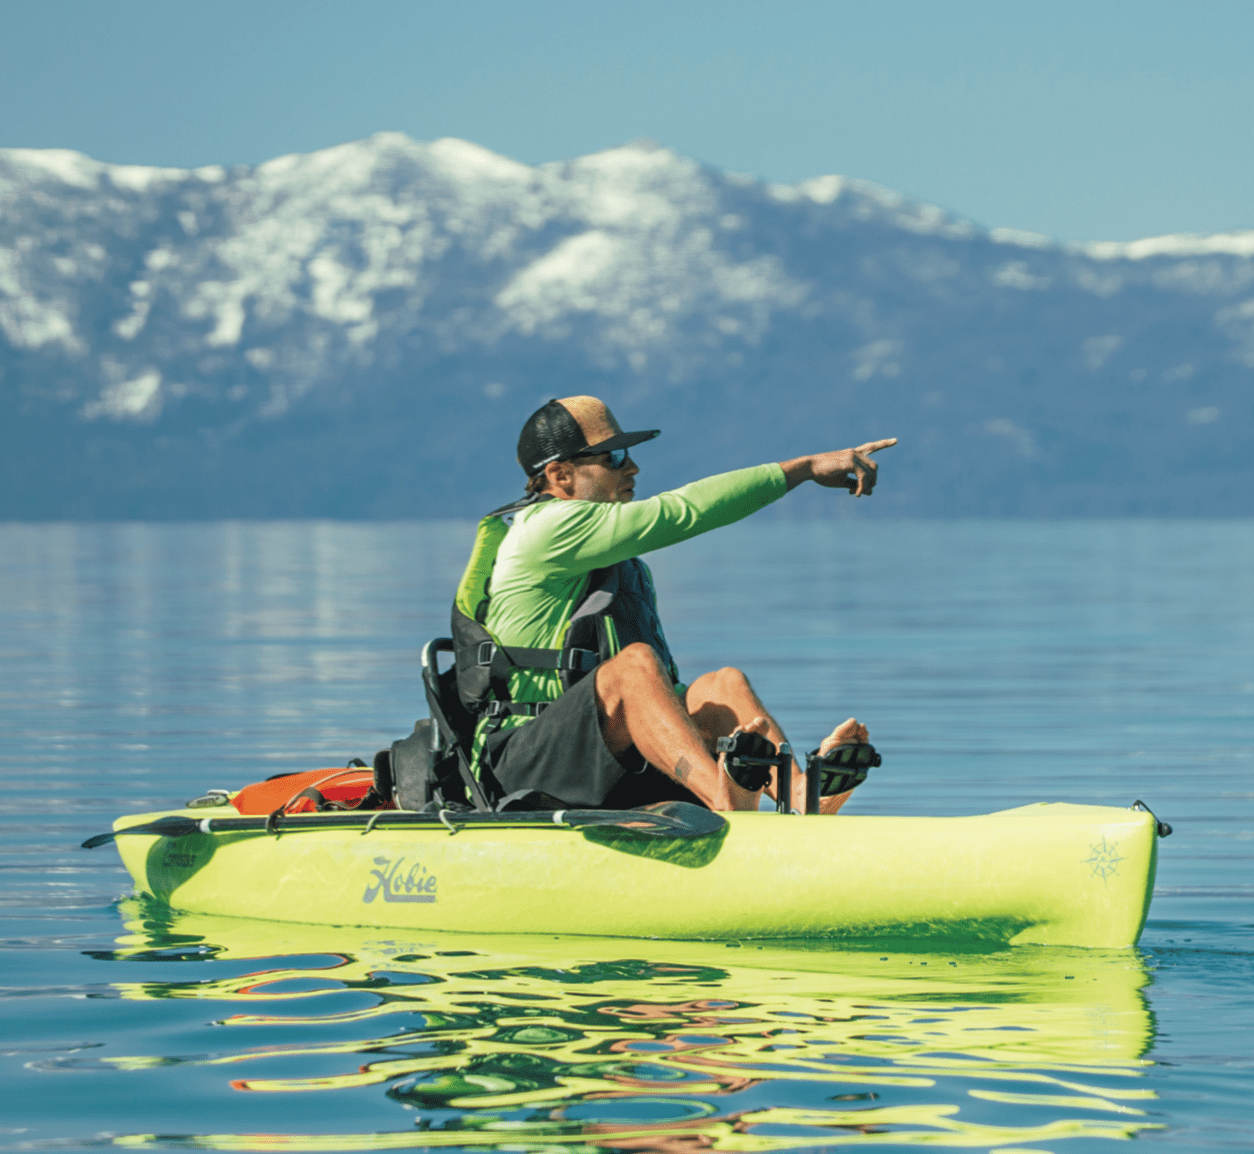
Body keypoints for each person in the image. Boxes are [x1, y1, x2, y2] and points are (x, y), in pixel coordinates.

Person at [458, 395, 896, 813]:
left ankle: (799, 795)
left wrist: (711, 726)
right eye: (611, 457)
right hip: (519, 761)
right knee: (634, 666)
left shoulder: (607, 554)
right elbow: (682, 510)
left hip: (601, 756)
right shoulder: (548, 528)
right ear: (560, 476)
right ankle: (723, 800)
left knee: (722, 686)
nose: (631, 467)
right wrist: (804, 468)